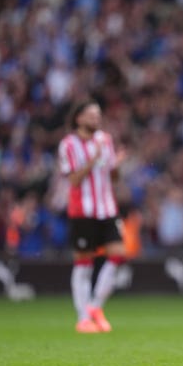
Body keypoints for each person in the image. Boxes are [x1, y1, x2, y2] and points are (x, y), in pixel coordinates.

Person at [57, 100, 127, 333]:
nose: (96, 119)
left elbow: (112, 178)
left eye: (98, 115)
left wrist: (116, 166)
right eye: (90, 115)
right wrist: (92, 160)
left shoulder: (105, 140)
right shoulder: (68, 145)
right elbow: (74, 180)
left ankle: (95, 306)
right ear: (79, 118)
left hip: (106, 208)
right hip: (83, 211)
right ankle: (83, 318)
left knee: (118, 255)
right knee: (84, 262)